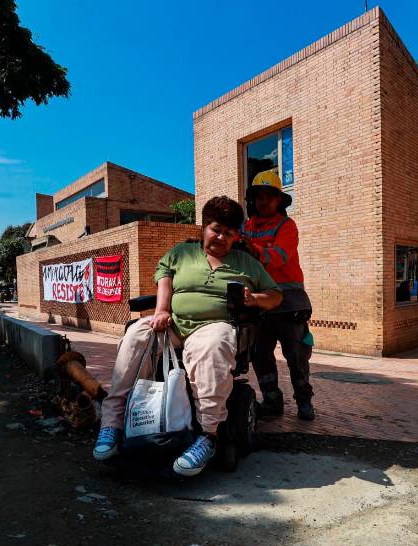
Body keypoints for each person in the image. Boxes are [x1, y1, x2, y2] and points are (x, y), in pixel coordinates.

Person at [93, 196, 282, 476]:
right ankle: (112, 424)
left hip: (214, 325)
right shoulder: (181, 252)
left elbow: (276, 296)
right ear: (204, 227)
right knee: (136, 334)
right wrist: (161, 310)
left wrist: (253, 298)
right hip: (173, 323)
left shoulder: (246, 263)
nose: (220, 237)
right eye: (216, 229)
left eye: (229, 233)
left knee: (213, 344)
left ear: (236, 236)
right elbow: (164, 276)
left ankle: (208, 435)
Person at [241, 171, 315, 421]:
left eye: (269, 196)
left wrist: (254, 249)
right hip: (260, 304)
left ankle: (304, 401)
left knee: (296, 356)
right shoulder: (247, 227)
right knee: (259, 354)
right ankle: (272, 401)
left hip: (288, 302)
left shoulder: (287, 226)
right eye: (259, 196)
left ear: (279, 201)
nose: (263, 201)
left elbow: (281, 256)